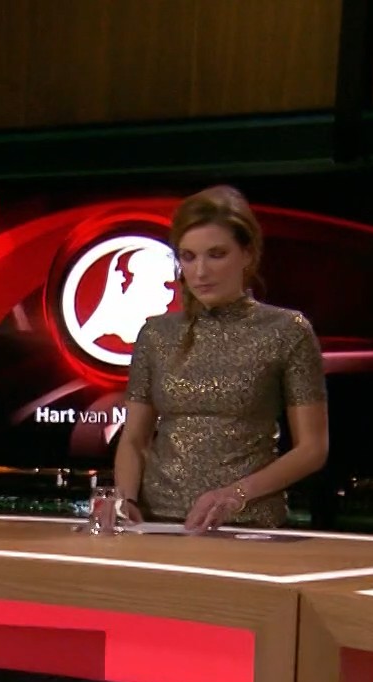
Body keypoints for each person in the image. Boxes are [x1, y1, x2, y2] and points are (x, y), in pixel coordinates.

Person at [112, 185, 329, 531]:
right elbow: (134, 440)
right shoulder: (156, 334)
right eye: (188, 257)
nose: (200, 272)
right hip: (158, 525)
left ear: (247, 254)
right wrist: (125, 502)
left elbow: (313, 448)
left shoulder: (287, 330)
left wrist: (235, 495)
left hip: (247, 523)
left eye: (216, 255)